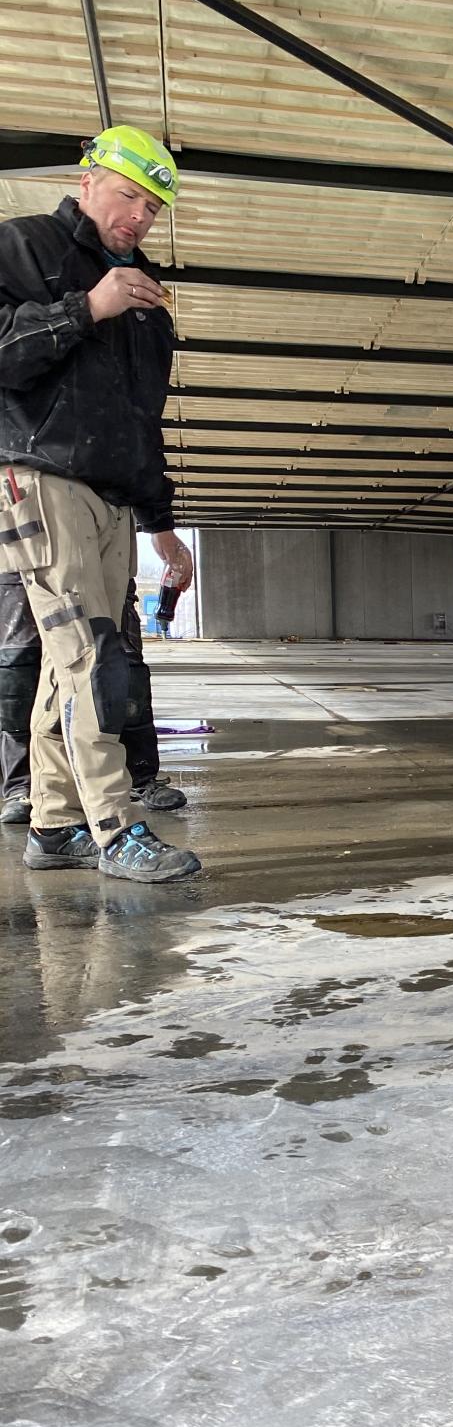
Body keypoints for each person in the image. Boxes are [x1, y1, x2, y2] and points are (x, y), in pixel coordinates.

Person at [0, 125, 201, 881]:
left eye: (152, 208)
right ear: (87, 181)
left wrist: (161, 523)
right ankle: (115, 828)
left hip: (115, 495)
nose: (138, 218)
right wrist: (85, 307)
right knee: (90, 657)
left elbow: (142, 418)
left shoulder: (149, 299)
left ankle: (53, 828)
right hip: (41, 477)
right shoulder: (23, 249)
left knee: (72, 663)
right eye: (128, 197)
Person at [0, 570, 190, 825]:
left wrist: (162, 531)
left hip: (96, 556)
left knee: (125, 672)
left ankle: (140, 775)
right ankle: (21, 787)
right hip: (15, 561)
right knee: (17, 677)